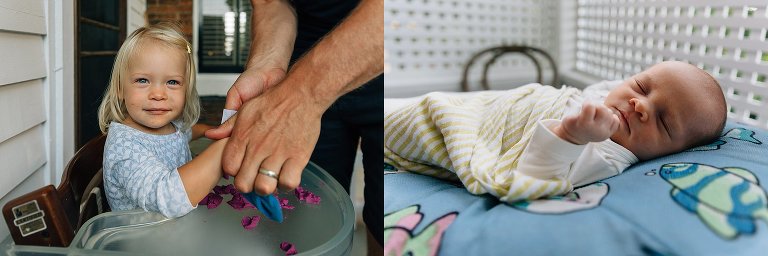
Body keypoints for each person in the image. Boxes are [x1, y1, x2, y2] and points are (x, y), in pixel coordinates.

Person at [384, 61, 727, 203]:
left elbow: (536, 177)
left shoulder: (608, 153)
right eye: (641, 85)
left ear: (673, 152)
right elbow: (612, 89)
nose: (639, 104)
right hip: (487, 108)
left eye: (663, 121)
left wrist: (571, 136)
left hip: (467, 131)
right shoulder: (616, 100)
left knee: (408, 117)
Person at [203, 0, 384, 252]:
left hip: (386, 66)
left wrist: (300, 97)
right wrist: (266, 67)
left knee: (386, 223)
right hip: (300, 61)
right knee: (307, 221)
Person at [98, 23, 225, 218]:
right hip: (142, 241)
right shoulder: (124, 146)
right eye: (142, 80)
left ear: (186, 90)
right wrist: (227, 145)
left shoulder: (172, 126)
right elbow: (168, 198)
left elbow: (189, 131)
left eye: (172, 82)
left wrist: (217, 131)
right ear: (120, 89)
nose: (158, 94)